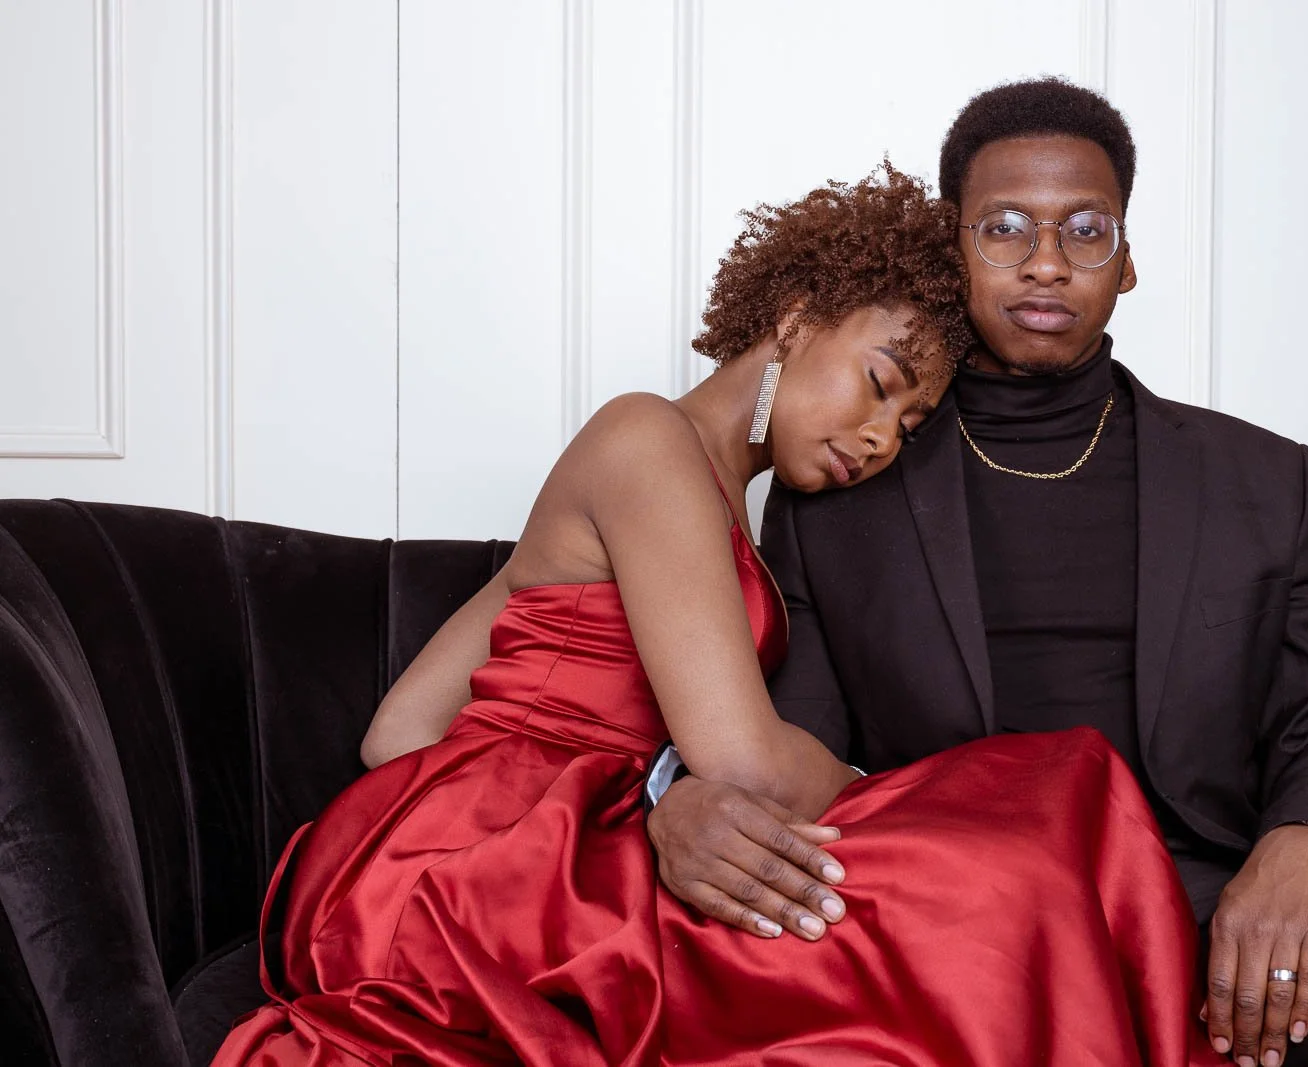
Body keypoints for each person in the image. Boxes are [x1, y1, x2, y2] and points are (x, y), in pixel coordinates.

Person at [642, 80, 1308, 1067]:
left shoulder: (1260, 477)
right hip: (965, 908)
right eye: (1005, 227)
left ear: (1127, 258)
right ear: (951, 248)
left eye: (1085, 228)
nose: (1046, 261)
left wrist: (1305, 841)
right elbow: (793, 736)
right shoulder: (850, 480)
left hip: (1213, 904)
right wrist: (685, 795)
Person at [215, 165, 1228, 1066]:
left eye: (909, 424)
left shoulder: (712, 507)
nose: (879, 438)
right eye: (878, 384)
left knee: (1026, 828)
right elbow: (739, 759)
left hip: (484, 846)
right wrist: (902, 797)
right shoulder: (644, 437)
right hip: (489, 866)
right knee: (1039, 804)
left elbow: (398, 729)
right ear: (793, 316)